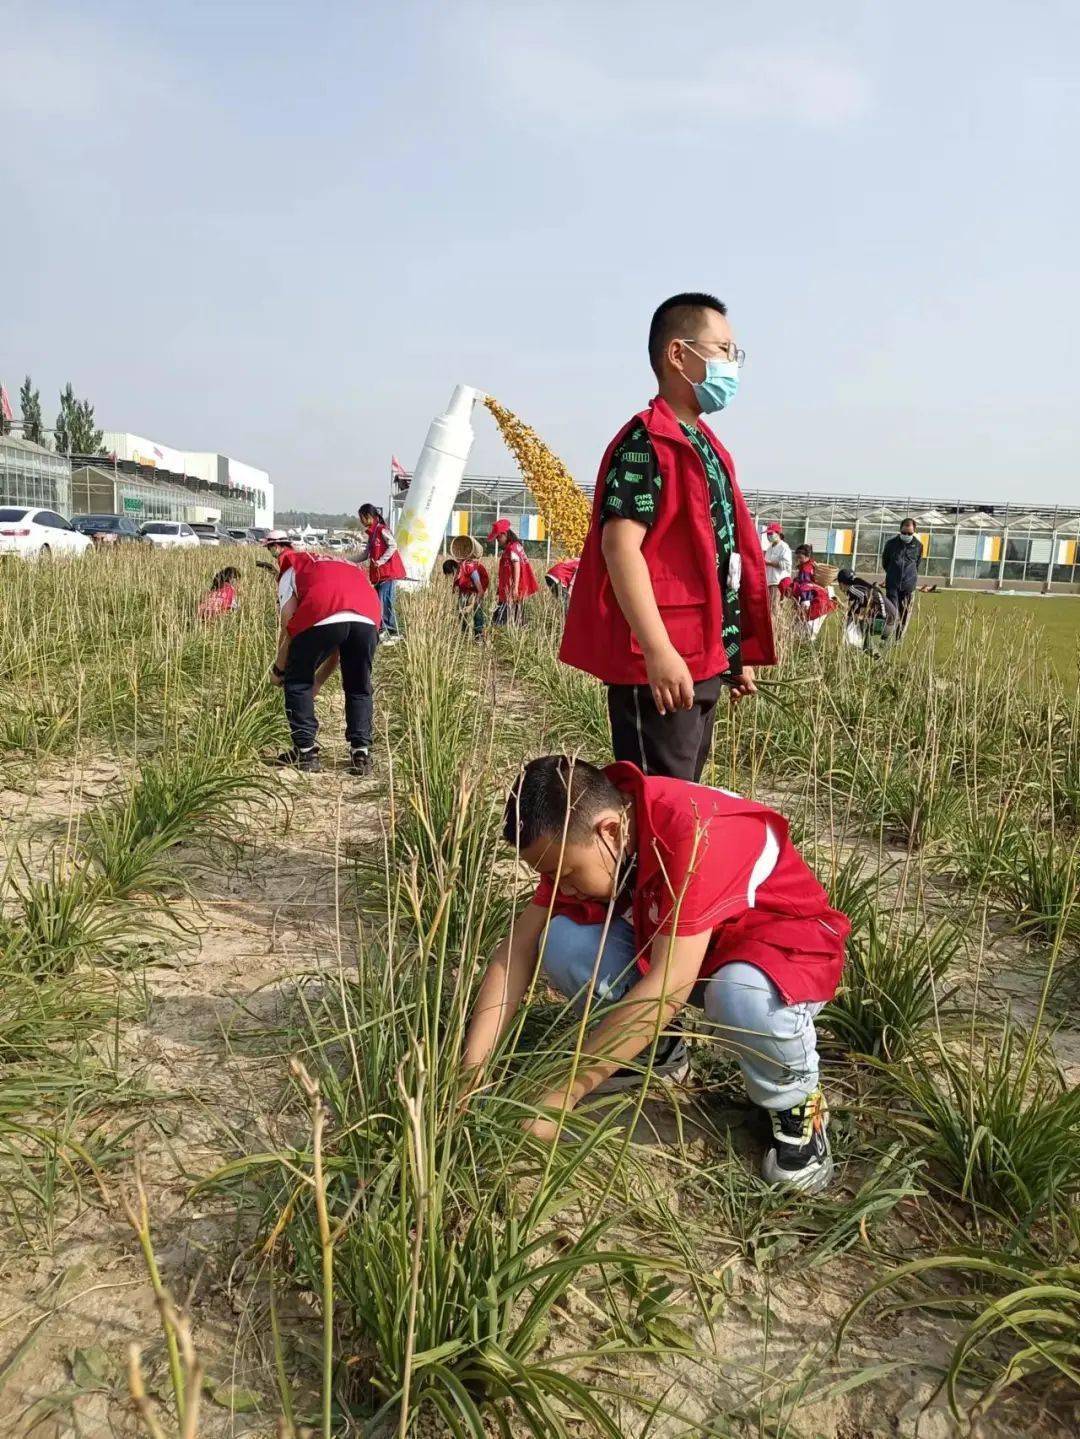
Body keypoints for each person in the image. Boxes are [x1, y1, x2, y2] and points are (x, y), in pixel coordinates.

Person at [462, 756, 849, 1191]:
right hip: (683, 947)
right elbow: (516, 950)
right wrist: (471, 1074)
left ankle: (796, 1099)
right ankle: (658, 1051)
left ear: (610, 830)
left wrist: (562, 1093)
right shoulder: (587, 828)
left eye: (565, 874)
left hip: (779, 954)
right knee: (562, 940)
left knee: (740, 993)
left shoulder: (694, 832)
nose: (561, 887)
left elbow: (668, 987)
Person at [560, 293, 774, 783]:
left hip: (701, 656)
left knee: (683, 797)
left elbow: (720, 560)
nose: (731, 364)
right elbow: (620, 547)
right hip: (662, 661)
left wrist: (732, 654)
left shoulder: (706, 446)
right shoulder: (645, 443)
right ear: (678, 354)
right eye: (723, 350)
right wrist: (658, 650)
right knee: (656, 799)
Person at [269, 545, 381, 775]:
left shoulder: (291, 570)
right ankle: (361, 753)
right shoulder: (344, 566)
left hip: (324, 611)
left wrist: (279, 669)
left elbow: (288, 623)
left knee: (298, 681)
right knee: (358, 685)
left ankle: (305, 752)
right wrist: (319, 680)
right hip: (368, 618)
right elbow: (339, 638)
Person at [358, 503, 406, 644]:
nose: (360, 520)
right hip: (379, 575)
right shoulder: (372, 534)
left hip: (387, 573)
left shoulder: (382, 530)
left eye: (361, 517)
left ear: (368, 516)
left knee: (385, 601)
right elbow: (365, 554)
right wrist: (346, 560)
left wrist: (381, 561)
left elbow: (393, 545)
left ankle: (391, 630)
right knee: (380, 601)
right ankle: (385, 628)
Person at [487, 519, 539, 625]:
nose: (497, 540)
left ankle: (500, 629)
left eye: (498, 537)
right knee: (516, 614)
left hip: (512, 589)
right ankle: (519, 627)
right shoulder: (515, 546)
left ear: (504, 534)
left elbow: (517, 566)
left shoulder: (512, 548)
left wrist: (515, 587)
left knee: (501, 617)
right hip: (510, 587)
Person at [836, 569, 898, 656]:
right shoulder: (863, 587)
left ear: (842, 584)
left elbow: (862, 597)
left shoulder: (852, 588)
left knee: (856, 623)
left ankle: (864, 650)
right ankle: (873, 651)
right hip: (891, 624)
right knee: (856, 621)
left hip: (884, 624)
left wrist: (853, 616)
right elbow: (855, 608)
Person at [881, 518, 923, 636]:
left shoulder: (918, 546)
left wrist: (909, 575)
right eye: (904, 533)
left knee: (904, 614)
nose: (906, 535)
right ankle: (887, 636)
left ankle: (898, 638)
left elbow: (917, 563)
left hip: (908, 586)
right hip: (892, 584)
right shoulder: (891, 544)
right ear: (900, 530)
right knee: (892, 611)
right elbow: (885, 562)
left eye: (909, 533)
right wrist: (892, 573)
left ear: (914, 532)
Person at [776, 575, 837, 642]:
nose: (787, 597)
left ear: (788, 589)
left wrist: (793, 627)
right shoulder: (799, 588)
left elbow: (805, 611)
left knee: (809, 630)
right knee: (802, 628)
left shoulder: (803, 591)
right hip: (822, 602)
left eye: (785, 594)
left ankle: (810, 644)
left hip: (822, 604)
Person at [442, 555, 489, 637]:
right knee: (460, 607)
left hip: (479, 587)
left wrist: (471, 606)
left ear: (455, 570)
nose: (451, 579)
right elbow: (457, 592)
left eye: (451, 576)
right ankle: (464, 632)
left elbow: (480, 592)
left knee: (477, 608)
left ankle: (479, 634)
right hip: (467, 587)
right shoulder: (455, 577)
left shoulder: (471, 570)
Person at [763, 524, 792, 610]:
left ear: (778, 533)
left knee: (775, 608)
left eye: (771, 533)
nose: (768, 536)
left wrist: (769, 563)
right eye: (767, 534)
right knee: (770, 608)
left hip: (778, 583)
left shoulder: (784, 547)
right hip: (769, 582)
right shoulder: (769, 548)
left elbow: (786, 565)